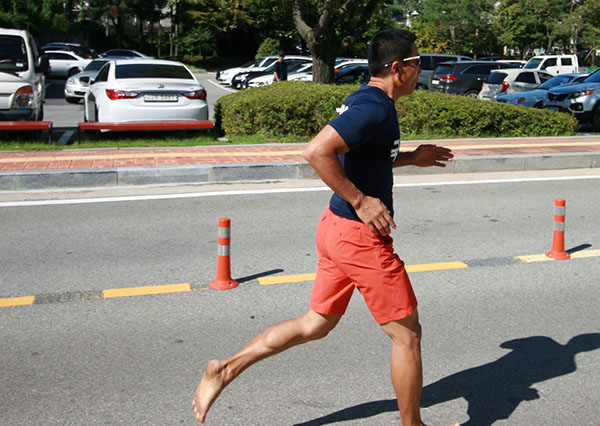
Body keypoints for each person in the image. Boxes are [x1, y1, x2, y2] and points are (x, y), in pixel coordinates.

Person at [193, 28, 458, 426]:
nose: (422, 71)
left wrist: (410, 158)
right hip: (358, 237)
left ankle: (225, 368)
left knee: (315, 324)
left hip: (335, 229)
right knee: (408, 337)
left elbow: (364, 156)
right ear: (398, 68)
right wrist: (362, 201)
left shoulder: (367, 100)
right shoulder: (375, 107)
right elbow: (317, 151)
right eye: (419, 63)